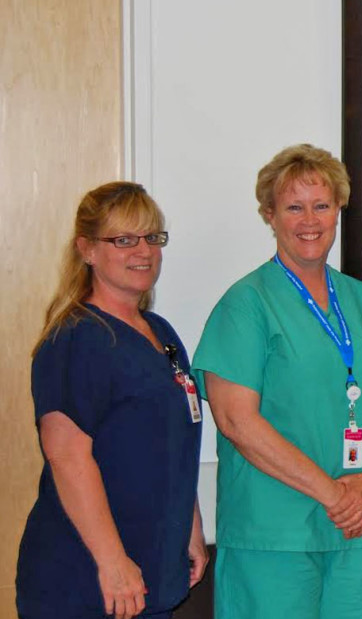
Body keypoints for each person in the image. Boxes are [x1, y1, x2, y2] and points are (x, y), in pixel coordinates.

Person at [191, 144, 362, 619]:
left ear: (338, 210)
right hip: (275, 534)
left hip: (354, 528)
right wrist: (335, 494)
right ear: (269, 215)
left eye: (322, 205)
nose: (309, 220)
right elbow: (236, 422)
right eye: (293, 207)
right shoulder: (246, 305)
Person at [16, 182, 206, 619]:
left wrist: (190, 526)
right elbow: (68, 457)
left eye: (152, 238)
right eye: (123, 239)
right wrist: (112, 562)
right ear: (87, 249)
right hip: (87, 580)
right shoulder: (77, 337)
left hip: (152, 569)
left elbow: (173, 443)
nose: (143, 251)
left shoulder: (161, 334)